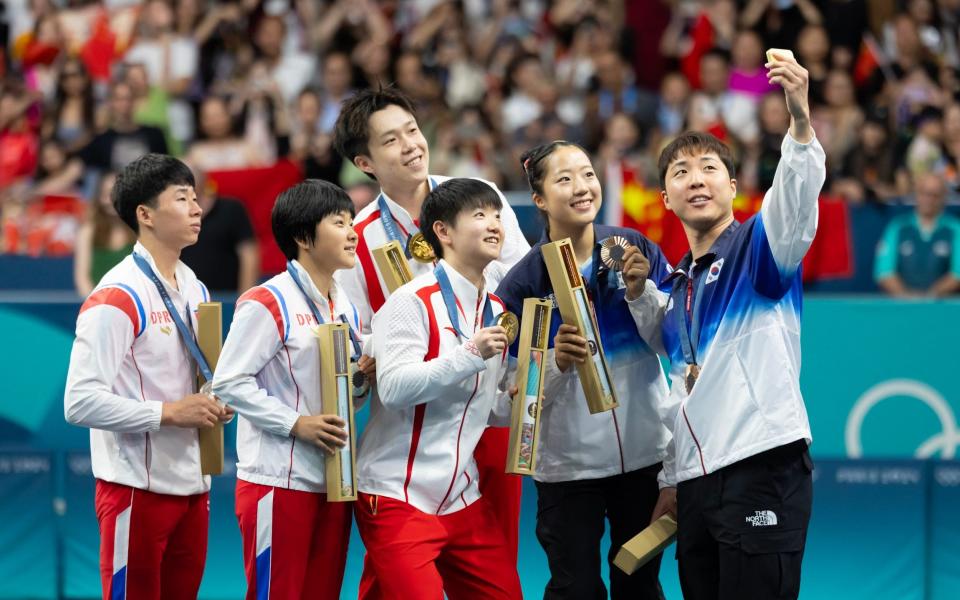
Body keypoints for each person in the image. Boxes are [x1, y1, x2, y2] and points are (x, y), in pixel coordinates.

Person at [628, 52, 825, 599]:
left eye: (710, 169)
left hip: (760, 463)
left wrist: (801, 123)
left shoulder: (761, 250)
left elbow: (794, 203)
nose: (697, 180)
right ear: (665, 199)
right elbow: (679, 392)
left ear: (733, 187)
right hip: (696, 482)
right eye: (681, 172)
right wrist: (671, 479)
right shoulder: (673, 290)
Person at [332, 86, 529, 559]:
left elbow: (524, 287)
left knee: (493, 556)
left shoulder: (482, 199)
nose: (411, 146)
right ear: (365, 162)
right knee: (398, 567)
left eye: (413, 131)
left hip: (489, 409)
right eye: (391, 140)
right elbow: (360, 339)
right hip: (413, 430)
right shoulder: (359, 239)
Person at [495, 141, 673, 600]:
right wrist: (554, 363)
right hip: (568, 470)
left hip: (643, 453)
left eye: (587, 174)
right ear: (539, 199)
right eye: (565, 178)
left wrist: (641, 294)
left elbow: (673, 342)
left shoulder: (634, 250)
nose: (582, 187)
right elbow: (511, 394)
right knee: (576, 588)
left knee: (640, 585)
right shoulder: (523, 283)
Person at [63, 153, 232, 599]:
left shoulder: (194, 284)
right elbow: (78, 401)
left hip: (194, 486)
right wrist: (171, 412)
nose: (197, 208)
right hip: (136, 489)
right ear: (145, 215)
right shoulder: (116, 296)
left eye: (196, 198)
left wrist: (213, 399)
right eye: (182, 198)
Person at [355, 178, 521, 599]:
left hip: (461, 498)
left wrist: (522, 397)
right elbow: (393, 389)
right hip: (396, 496)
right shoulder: (410, 302)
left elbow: (483, 409)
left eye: (497, 214)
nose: (495, 224)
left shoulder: (497, 309)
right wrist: (469, 353)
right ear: (443, 232)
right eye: (480, 215)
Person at [212, 179, 374, 599]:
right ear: (303, 237)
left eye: (352, 221)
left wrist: (361, 379)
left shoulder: (346, 306)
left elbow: (347, 396)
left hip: (334, 481)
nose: (353, 232)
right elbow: (228, 381)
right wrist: (295, 423)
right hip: (277, 484)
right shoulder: (268, 300)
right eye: (339, 222)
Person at [874, 173, 960, 297]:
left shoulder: (955, 229)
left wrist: (931, 295)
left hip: (942, 308)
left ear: (943, 198)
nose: (929, 199)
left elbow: (957, 274)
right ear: (917, 194)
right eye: (924, 193)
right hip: (902, 308)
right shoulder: (898, 227)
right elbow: (884, 271)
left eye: (935, 195)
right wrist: (906, 297)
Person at [179, 166, 259, 293]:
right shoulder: (173, 216)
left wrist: (245, 298)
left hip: (227, 297)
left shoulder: (231, 209)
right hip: (185, 299)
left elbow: (249, 255)